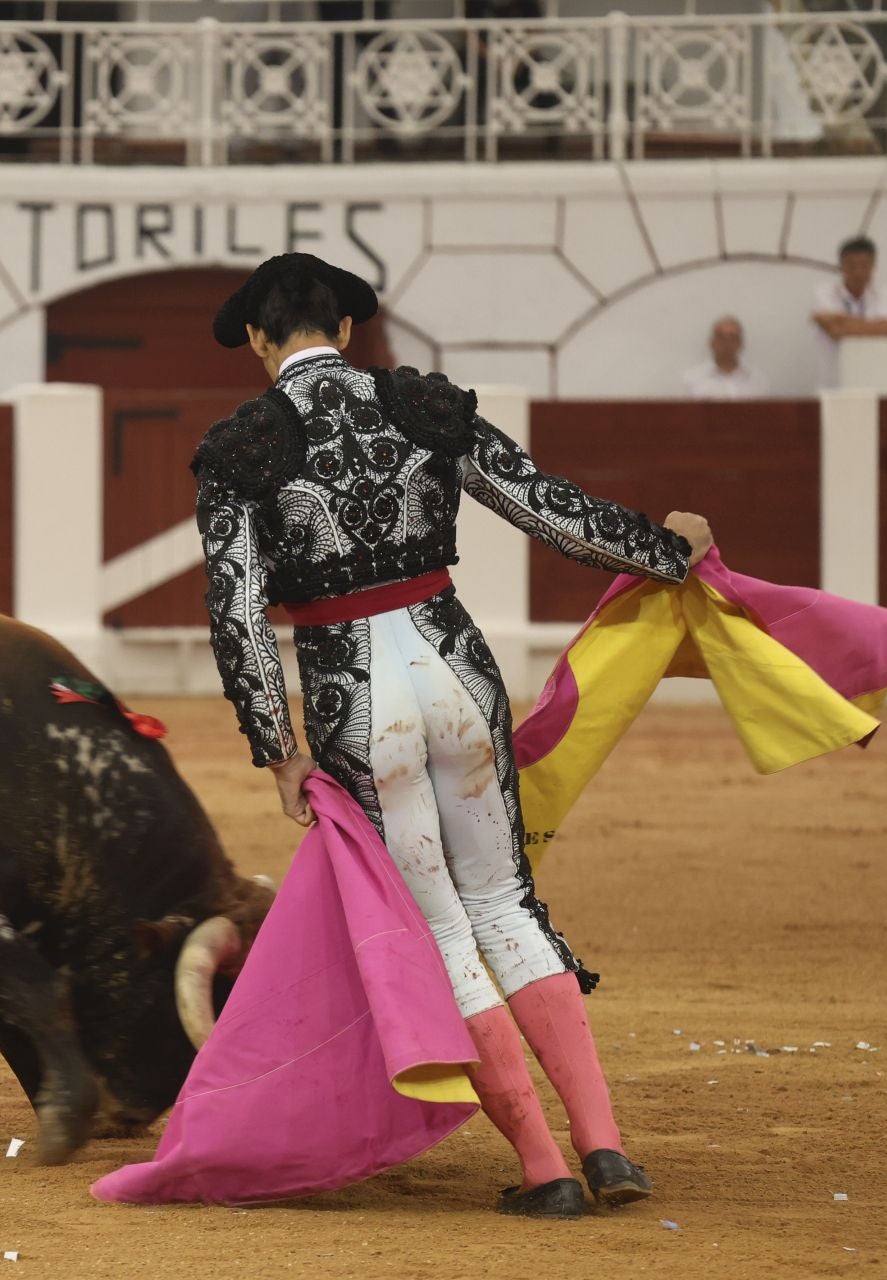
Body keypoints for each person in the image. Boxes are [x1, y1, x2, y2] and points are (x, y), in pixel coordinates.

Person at [194, 253, 713, 1220]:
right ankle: (605, 1146)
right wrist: (667, 552)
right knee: (506, 903)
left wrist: (279, 748)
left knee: (438, 927)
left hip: (354, 693)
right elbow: (546, 507)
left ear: (260, 342)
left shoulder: (241, 449)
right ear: (345, 329)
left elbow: (238, 615)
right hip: (456, 668)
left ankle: (545, 1168)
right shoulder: (419, 406)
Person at [812, 235, 887, 389]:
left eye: (864, 265)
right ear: (841, 266)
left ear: (873, 266)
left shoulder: (883, 293)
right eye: (851, 265)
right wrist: (877, 327)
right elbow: (834, 332)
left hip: (874, 381)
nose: (858, 272)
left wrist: (843, 323)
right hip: (833, 383)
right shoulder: (824, 293)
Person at [682, 315, 767, 400]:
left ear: (740, 343)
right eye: (721, 337)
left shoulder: (758, 380)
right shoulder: (692, 380)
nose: (727, 343)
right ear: (711, 342)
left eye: (732, 337)